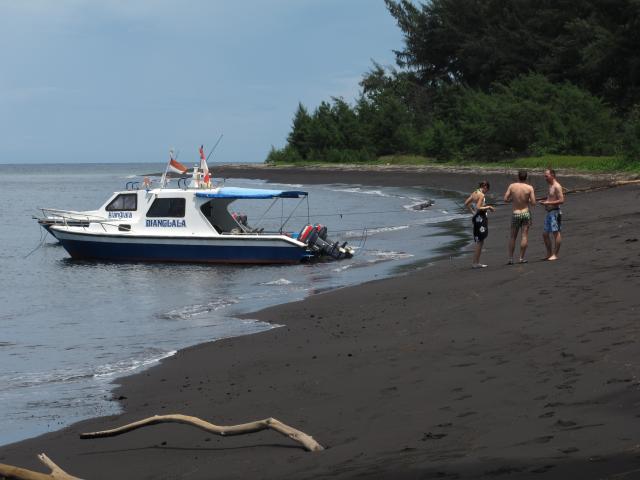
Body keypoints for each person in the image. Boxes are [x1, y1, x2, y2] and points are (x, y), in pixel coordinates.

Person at [504, 170, 536, 264]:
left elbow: (505, 199)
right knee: (524, 236)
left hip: (516, 213)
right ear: (526, 178)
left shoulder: (512, 186)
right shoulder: (529, 188)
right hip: (525, 213)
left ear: (518, 177)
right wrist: (528, 200)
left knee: (513, 237)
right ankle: (521, 258)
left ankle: (510, 258)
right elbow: (533, 203)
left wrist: (512, 199)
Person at [464, 181, 495, 269]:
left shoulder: (475, 192)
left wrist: (472, 212)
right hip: (481, 218)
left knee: (479, 240)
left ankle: (476, 262)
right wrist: (488, 207)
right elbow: (478, 207)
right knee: (480, 241)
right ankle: (475, 263)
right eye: (487, 190)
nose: (486, 192)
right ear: (485, 187)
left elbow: (466, 203)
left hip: (476, 218)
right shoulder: (481, 195)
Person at [539, 168, 564, 260]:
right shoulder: (550, 185)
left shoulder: (557, 186)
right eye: (545, 176)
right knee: (545, 234)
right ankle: (549, 253)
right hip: (549, 213)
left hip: (555, 213)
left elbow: (562, 200)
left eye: (546, 176)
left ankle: (555, 254)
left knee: (556, 233)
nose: (545, 177)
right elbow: (551, 198)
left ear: (552, 175)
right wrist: (545, 201)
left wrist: (548, 203)